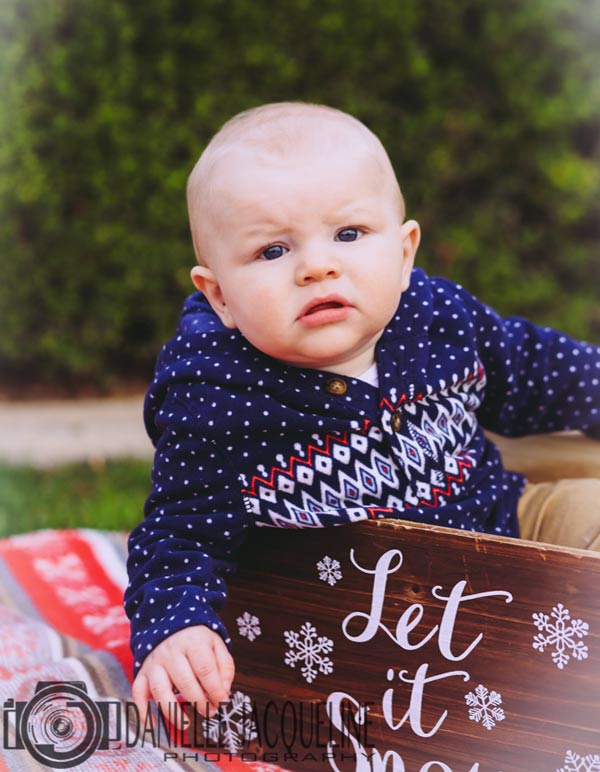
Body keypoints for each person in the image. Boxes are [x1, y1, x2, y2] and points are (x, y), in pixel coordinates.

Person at [125, 101, 600, 719]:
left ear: (403, 254)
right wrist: (176, 628)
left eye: (349, 235)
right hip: (357, 616)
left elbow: (534, 370)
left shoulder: (436, 316)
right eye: (272, 251)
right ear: (219, 296)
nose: (318, 266)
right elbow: (178, 533)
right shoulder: (216, 395)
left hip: (501, 522)